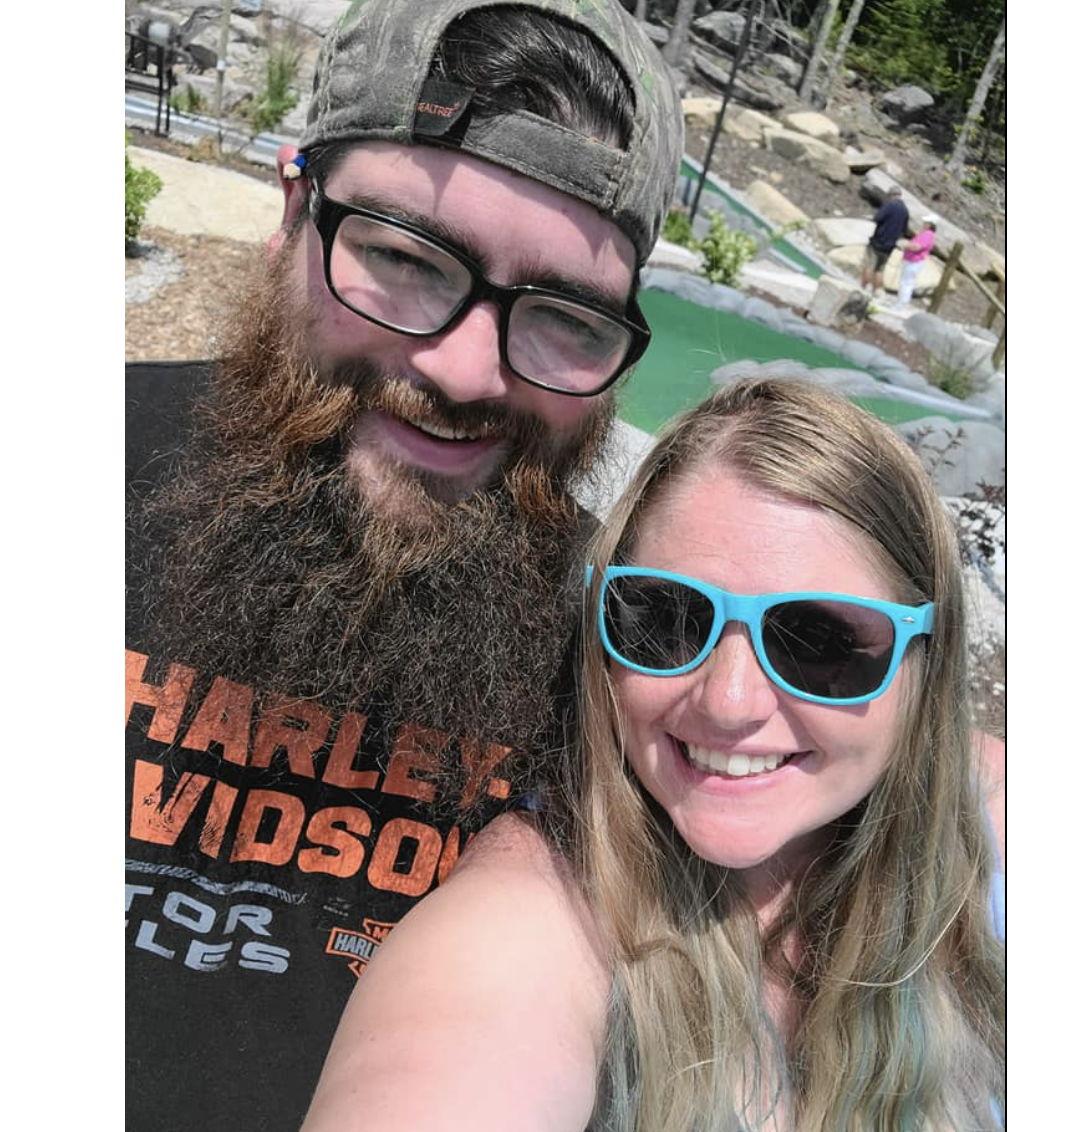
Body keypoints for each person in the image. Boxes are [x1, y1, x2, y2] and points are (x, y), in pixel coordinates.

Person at [124, 2, 683, 1128]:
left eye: (568, 318)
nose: (468, 371)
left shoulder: (635, 652)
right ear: (293, 212)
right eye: (401, 257)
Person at [301, 378, 1005, 1131]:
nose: (729, 702)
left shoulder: (998, 825)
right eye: (667, 619)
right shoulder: (523, 931)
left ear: (928, 662)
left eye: (818, 641)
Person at [860, 186, 910, 293]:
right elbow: (904, 230)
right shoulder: (905, 211)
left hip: (878, 242)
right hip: (890, 246)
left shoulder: (889, 205)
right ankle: (876, 292)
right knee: (880, 270)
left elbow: (877, 218)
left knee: (869, 265)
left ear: (891, 195)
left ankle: (863, 288)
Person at [897, 215, 939, 306]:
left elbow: (917, 247)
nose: (924, 224)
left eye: (926, 223)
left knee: (906, 283)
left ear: (930, 225)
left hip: (914, 261)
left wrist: (905, 244)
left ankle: (901, 303)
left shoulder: (927, 235)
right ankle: (902, 302)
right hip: (912, 260)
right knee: (906, 282)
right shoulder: (926, 234)